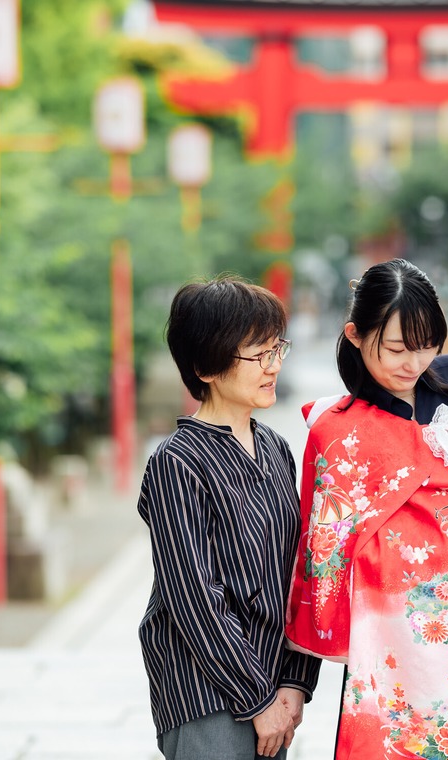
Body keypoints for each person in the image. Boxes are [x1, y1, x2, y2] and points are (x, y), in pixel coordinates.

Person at [286, 258, 448, 759]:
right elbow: (322, 544)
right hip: (386, 642)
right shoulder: (337, 429)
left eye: (427, 345)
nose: (414, 362)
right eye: (398, 348)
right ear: (356, 336)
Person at [137, 277, 321, 760]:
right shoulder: (178, 461)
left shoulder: (276, 448)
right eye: (256, 354)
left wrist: (295, 682)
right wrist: (256, 697)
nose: (274, 365)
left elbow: (298, 568)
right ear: (205, 365)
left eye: (276, 349)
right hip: (206, 692)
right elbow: (193, 595)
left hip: (273, 687)